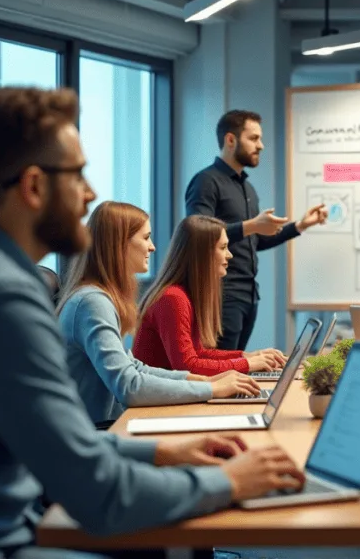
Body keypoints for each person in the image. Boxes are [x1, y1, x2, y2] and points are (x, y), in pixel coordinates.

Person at [0, 87, 305, 558]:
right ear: (34, 186)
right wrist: (227, 480)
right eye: (77, 173)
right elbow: (99, 493)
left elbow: (64, 445)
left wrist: (165, 452)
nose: (91, 192)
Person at [57, 201, 262, 426]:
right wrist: (211, 388)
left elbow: (134, 366)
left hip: (106, 425)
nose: (153, 247)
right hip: (95, 431)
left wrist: (201, 380)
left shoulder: (97, 299)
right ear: (118, 244)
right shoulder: (92, 303)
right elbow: (129, 386)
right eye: (146, 238)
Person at [185, 109, 328, 351]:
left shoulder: (247, 188)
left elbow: (256, 241)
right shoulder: (206, 181)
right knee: (220, 369)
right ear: (231, 140)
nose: (260, 145)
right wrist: (252, 225)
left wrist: (301, 225)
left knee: (236, 365)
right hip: (221, 293)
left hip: (249, 294)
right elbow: (199, 234)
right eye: (253, 138)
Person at [133, 215, 285, 376]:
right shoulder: (172, 298)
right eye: (223, 247)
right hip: (159, 399)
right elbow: (187, 366)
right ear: (203, 254)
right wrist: (246, 364)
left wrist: (247, 356)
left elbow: (198, 353)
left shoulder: (183, 295)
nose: (229, 255)